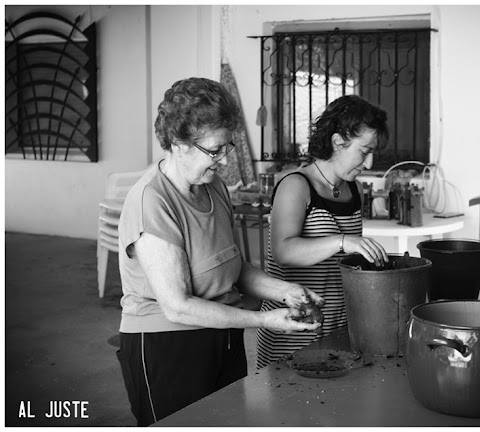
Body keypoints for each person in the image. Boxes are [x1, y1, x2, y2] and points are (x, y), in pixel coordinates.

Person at [116, 77, 323, 426]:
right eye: (216, 150)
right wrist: (263, 320)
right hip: (167, 347)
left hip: (223, 335)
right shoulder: (152, 201)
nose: (225, 161)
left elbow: (233, 267)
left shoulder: (213, 186)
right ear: (178, 144)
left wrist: (285, 292)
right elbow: (178, 306)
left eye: (228, 147)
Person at [256, 95, 390, 368]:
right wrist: (343, 242)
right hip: (292, 329)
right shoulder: (296, 185)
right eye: (364, 151)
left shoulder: (355, 189)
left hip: (338, 328)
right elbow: (283, 252)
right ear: (338, 142)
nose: (369, 163)